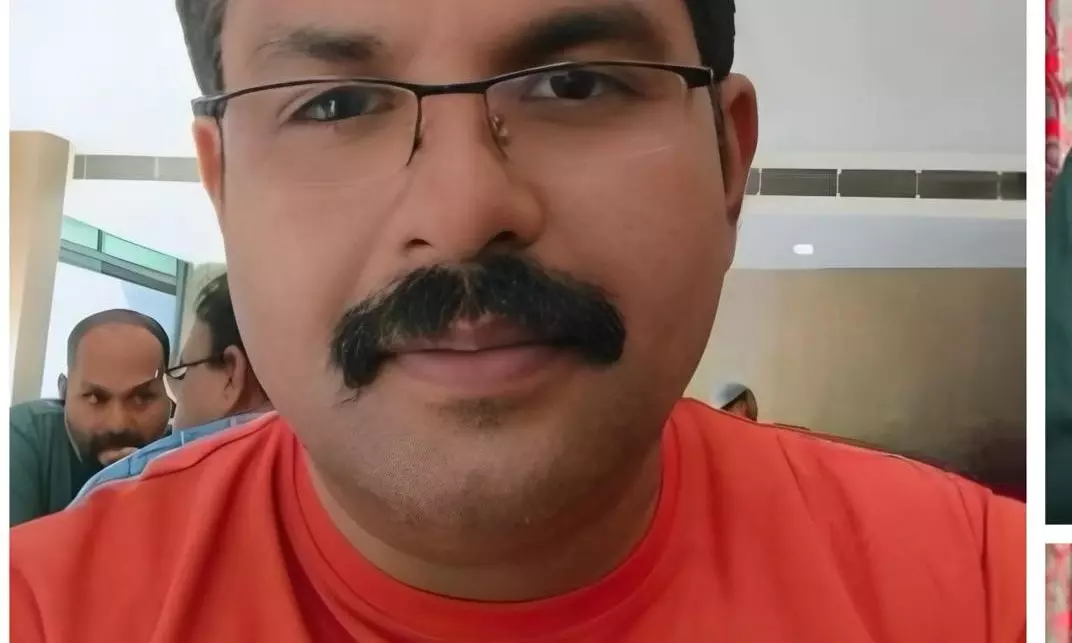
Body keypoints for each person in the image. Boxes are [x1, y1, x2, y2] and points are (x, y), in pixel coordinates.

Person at [11, 1, 1025, 641]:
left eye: (572, 84)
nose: (462, 210)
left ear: (728, 162)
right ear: (223, 187)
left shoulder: (994, 592)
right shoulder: (46, 611)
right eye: (335, 104)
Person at [71, 273, 272, 503]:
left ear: (231, 373)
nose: (118, 423)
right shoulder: (304, 472)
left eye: (184, 371)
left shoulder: (114, 492)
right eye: (95, 398)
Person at [9, 309, 171, 526]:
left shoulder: (187, 454)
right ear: (64, 393)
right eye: (95, 398)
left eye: (142, 398)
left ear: (169, 399)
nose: (117, 424)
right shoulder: (21, 436)